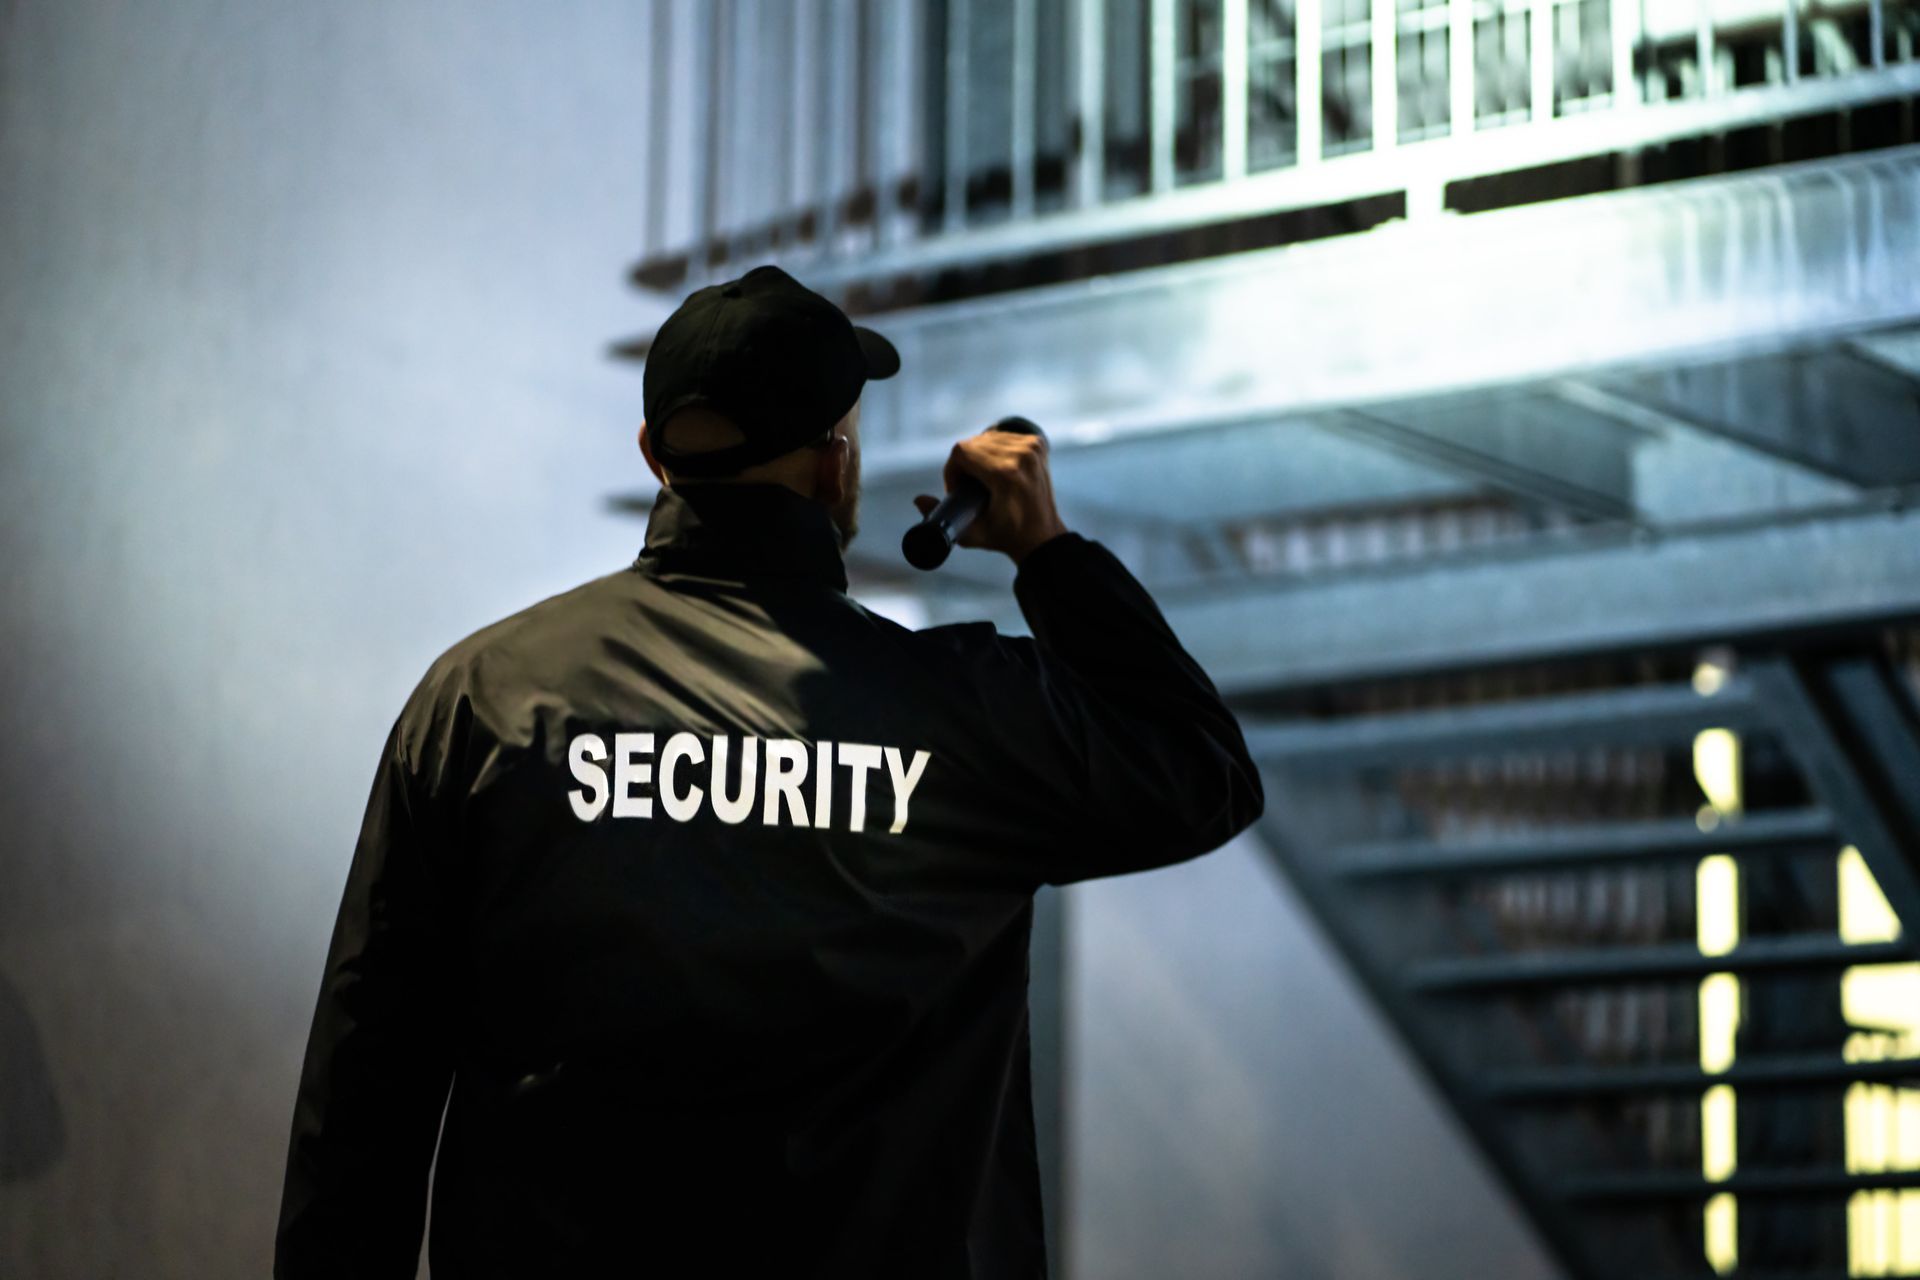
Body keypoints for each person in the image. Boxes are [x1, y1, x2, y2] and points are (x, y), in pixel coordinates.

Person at [275, 263, 1265, 1279]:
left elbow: (366, 1089)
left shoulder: (484, 698)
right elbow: (1203, 767)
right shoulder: (968, 712)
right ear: (838, 468)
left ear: (656, 456)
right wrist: (1047, 551)